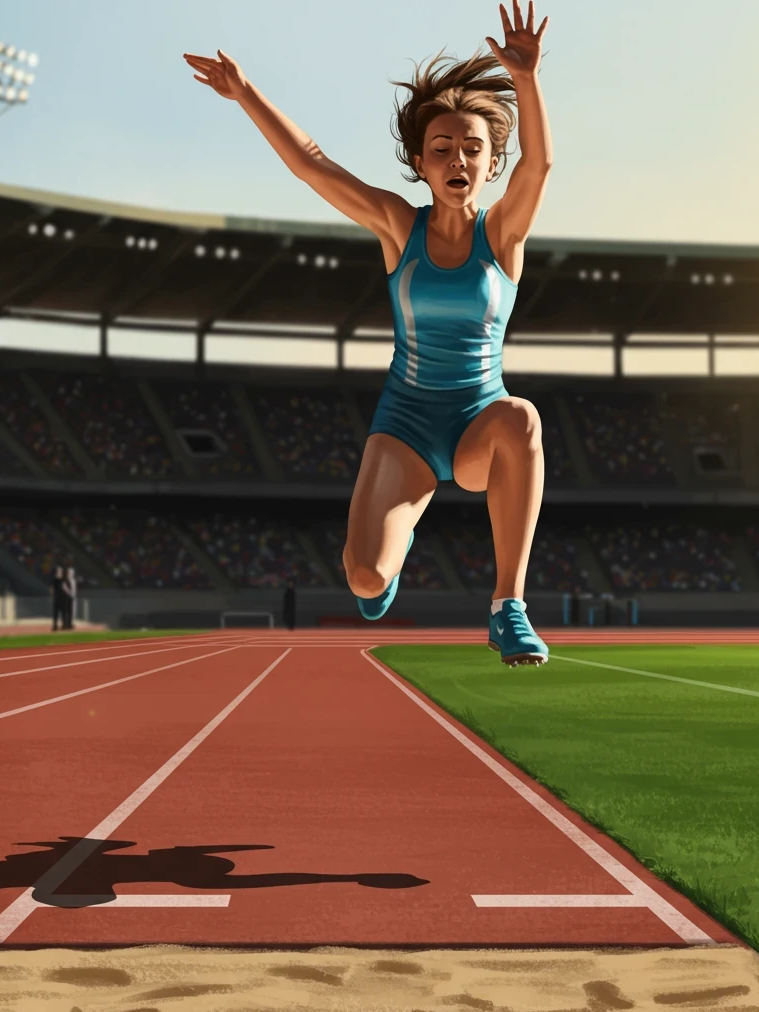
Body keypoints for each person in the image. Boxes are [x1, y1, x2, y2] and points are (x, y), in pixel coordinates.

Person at [185, 1, 552, 666]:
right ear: (419, 160)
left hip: (478, 423)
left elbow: (542, 169)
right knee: (364, 578)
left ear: (493, 163)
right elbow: (312, 164)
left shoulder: (502, 236)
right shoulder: (396, 225)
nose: (457, 159)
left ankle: (508, 607)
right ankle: (395, 545)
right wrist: (245, 94)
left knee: (523, 419)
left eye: (473, 149)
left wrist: (526, 80)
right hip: (407, 424)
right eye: (441, 149)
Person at [51, 566, 65, 631]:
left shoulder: (63, 579)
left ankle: (63, 625)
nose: (60, 572)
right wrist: (53, 595)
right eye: (59, 571)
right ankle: (55, 625)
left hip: (61, 598)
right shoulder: (55, 579)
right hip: (56, 598)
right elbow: (52, 588)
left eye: (61, 571)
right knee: (55, 613)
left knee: (62, 612)